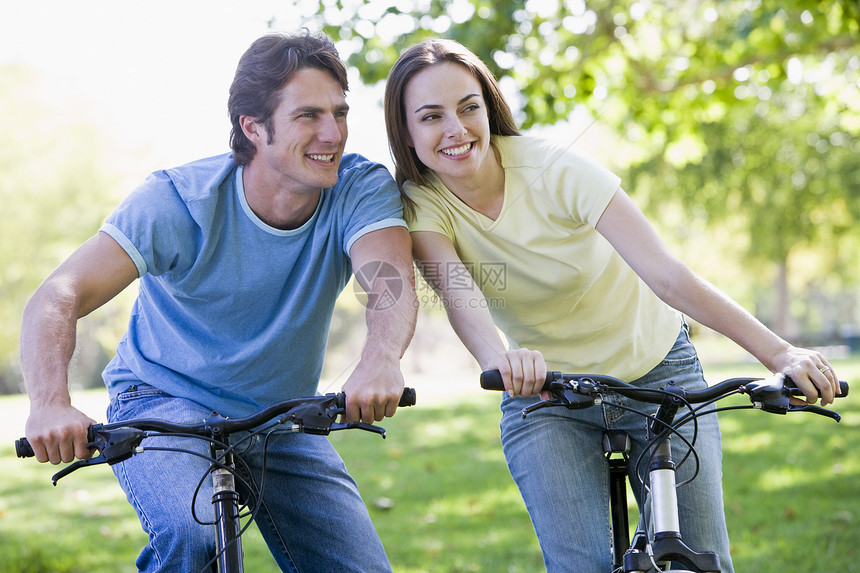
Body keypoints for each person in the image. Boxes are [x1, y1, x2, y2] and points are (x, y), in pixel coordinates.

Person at [383, 38, 840, 572]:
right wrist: (499, 361)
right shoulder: (421, 204)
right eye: (431, 116)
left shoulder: (556, 169)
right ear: (407, 133)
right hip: (548, 393)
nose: (456, 130)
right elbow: (459, 296)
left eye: (468, 108)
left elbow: (667, 275)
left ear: (489, 108)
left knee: (699, 561)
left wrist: (780, 353)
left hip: (660, 375)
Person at [21, 30, 417, 572]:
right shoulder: (177, 202)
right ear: (253, 128)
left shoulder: (357, 186)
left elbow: (389, 281)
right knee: (193, 537)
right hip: (162, 404)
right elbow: (56, 296)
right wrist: (49, 401)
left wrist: (381, 358)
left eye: (339, 112)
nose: (333, 134)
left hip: (280, 416)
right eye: (308, 116)